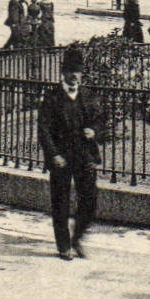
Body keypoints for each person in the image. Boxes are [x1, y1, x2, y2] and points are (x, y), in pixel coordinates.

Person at [38, 45, 99, 259]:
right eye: (71, 71)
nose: (75, 76)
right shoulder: (52, 97)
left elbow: (99, 120)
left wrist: (94, 131)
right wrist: (53, 154)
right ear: (63, 73)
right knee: (60, 201)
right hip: (61, 157)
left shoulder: (88, 96)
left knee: (90, 200)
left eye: (78, 71)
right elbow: (44, 129)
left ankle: (78, 238)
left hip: (83, 154)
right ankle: (63, 245)